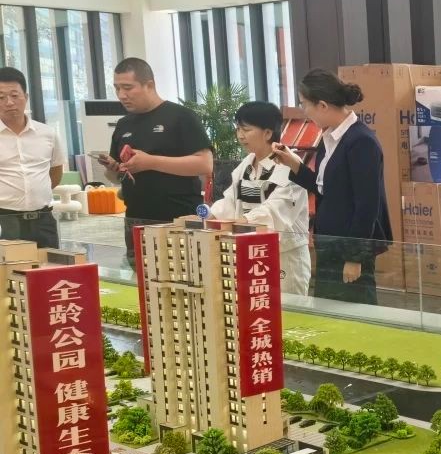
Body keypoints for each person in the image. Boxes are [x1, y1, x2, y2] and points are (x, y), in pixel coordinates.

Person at [271, 69, 391, 306]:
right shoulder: (330, 139)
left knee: (355, 312)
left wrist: (354, 257)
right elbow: (326, 189)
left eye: (305, 105)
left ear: (322, 105)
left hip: (349, 246)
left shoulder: (361, 142)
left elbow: (367, 206)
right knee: (330, 312)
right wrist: (293, 163)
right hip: (330, 243)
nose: (304, 111)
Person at [99, 58, 213, 266]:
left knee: (183, 278)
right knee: (140, 280)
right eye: (117, 88)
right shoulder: (123, 124)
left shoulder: (180, 117)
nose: (121, 95)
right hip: (136, 220)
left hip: (178, 219)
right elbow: (116, 178)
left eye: (128, 88)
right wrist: (113, 169)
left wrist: (151, 162)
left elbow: (205, 164)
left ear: (149, 85)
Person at [208, 102, 311, 294]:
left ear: (267, 133)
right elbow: (231, 200)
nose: (240, 135)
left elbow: (276, 210)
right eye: (238, 129)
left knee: (288, 309)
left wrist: (243, 221)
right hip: (252, 251)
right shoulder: (247, 163)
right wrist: (210, 217)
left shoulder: (290, 164)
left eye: (246, 130)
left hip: (284, 256)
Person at [0, 68, 64, 249]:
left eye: (14, 95)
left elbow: (55, 173)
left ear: (26, 97)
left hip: (43, 220)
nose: (9, 102)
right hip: (5, 220)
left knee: (50, 265)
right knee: (9, 267)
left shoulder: (48, 133)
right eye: (1, 97)